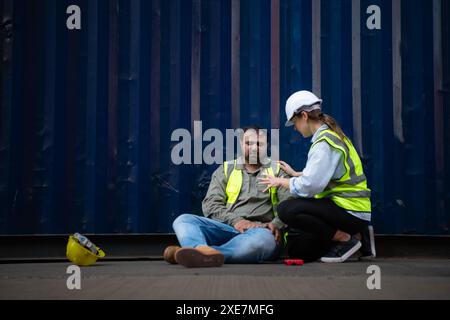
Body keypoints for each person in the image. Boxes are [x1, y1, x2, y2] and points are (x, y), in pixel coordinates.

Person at [259, 91, 374, 263]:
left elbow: (311, 187)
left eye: (294, 123)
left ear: (304, 116)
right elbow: (326, 174)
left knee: (286, 209)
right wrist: (296, 174)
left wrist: (281, 181)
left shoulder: (324, 143)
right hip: (347, 211)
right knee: (298, 250)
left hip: (350, 211)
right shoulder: (333, 135)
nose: (296, 128)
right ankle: (360, 237)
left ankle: (345, 238)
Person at [164, 126, 292, 268]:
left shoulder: (278, 171)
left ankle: (200, 253)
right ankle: (200, 249)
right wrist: (236, 221)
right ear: (241, 144)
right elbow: (211, 204)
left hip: (260, 231)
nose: (254, 148)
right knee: (184, 220)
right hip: (228, 227)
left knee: (264, 242)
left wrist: (276, 224)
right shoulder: (226, 169)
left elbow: (289, 205)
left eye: (259, 144)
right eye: (249, 143)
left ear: (266, 146)